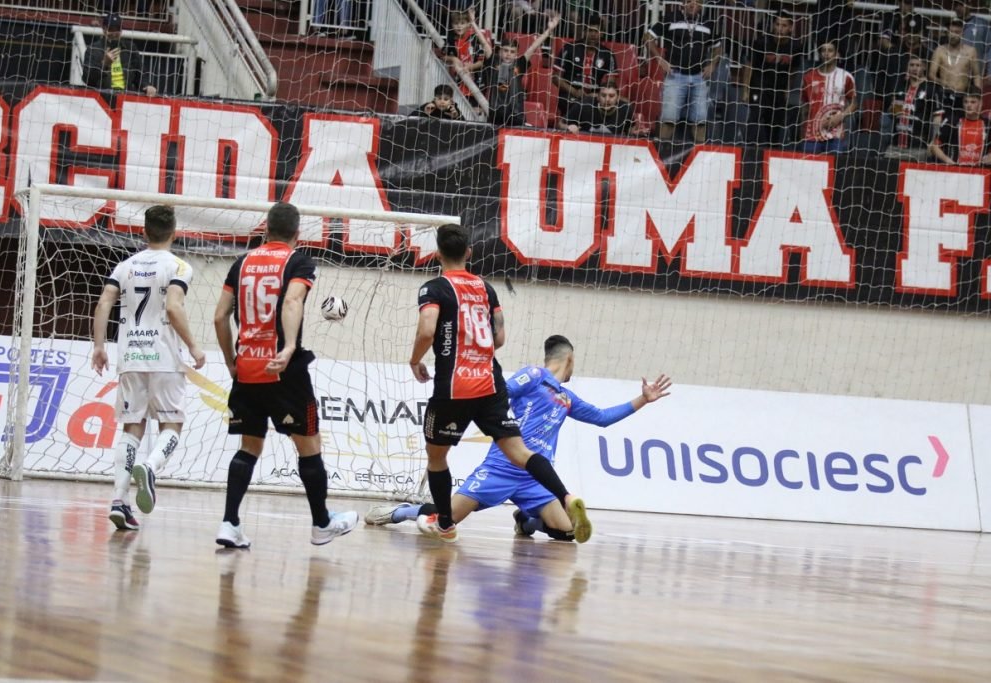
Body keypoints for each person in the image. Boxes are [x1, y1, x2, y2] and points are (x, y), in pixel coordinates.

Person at [368, 335, 672, 541]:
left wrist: (642, 400)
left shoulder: (566, 398)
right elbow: (501, 393)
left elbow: (603, 418)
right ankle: (397, 513)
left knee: (567, 533)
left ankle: (526, 519)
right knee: (446, 517)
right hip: (501, 467)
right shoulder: (534, 376)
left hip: (535, 478)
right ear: (569, 358)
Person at [408, 225, 591, 543]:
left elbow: (427, 329)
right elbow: (500, 337)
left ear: (437, 254)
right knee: (520, 452)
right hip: (490, 383)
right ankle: (564, 496)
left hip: (454, 386)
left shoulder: (433, 288)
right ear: (469, 253)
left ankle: (446, 525)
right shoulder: (486, 289)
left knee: (437, 458)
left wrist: (415, 360)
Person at [212, 201, 358, 549]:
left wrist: (231, 359)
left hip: (246, 369)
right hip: (284, 372)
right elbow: (292, 302)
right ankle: (321, 524)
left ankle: (229, 522)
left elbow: (219, 317)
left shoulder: (241, 263)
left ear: (265, 229)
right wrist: (289, 346)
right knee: (309, 447)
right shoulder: (299, 262)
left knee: (249, 446)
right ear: (297, 233)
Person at [91, 205, 205, 531]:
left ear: (144, 232)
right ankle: (151, 467)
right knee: (172, 426)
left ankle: (119, 500)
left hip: (131, 358)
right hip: (165, 358)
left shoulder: (124, 266)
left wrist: (99, 346)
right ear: (174, 232)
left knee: (132, 428)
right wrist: (194, 346)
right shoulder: (179, 266)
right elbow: (173, 305)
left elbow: (103, 303)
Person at [645, 0, 723, 144]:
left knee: (700, 122)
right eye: (689, 1)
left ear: (701, 5)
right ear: (683, 3)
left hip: (699, 77)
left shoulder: (708, 23)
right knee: (668, 120)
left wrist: (712, 64)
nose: (693, 4)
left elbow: (718, 47)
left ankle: (699, 160)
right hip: (676, 76)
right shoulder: (670, 17)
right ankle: (660, 156)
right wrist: (660, 59)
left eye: (697, 1)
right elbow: (648, 37)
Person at [486, 12, 561, 127]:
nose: (508, 54)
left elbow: (534, 46)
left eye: (512, 52)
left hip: (516, 114)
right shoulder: (494, 62)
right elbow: (484, 43)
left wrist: (549, 30)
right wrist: (472, 23)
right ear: (500, 51)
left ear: (516, 54)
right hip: (496, 114)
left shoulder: (519, 64)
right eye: (505, 51)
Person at [742, 10, 803, 148]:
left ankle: (772, 157)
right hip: (760, 87)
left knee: (775, 128)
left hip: (779, 90)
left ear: (791, 27)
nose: (780, 29)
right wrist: (745, 90)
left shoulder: (796, 46)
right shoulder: (762, 42)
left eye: (784, 25)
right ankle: (748, 154)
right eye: (777, 24)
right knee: (754, 121)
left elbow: (793, 70)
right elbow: (749, 66)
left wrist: (787, 89)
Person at [553, 13, 619, 118]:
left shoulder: (608, 55)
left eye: (596, 31)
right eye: (590, 31)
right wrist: (574, 91)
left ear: (601, 33)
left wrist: (598, 95)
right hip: (570, 95)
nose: (593, 34)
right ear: (584, 32)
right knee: (576, 106)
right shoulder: (569, 48)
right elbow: (556, 78)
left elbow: (610, 83)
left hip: (596, 97)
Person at [800, 41, 857, 155]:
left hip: (835, 135)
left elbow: (854, 104)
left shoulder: (846, 77)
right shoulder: (808, 77)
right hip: (812, 135)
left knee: (833, 170)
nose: (826, 54)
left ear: (837, 54)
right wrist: (802, 134)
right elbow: (805, 107)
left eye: (830, 50)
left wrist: (840, 116)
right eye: (823, 50)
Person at [82, 12, 156, 96]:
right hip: (102, 97)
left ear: (121, 30)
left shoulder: (130, 48)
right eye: (111, 29)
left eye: (117, 29)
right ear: (104, 29)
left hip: (126, 96)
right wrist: (104, 64)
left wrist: (147, 85)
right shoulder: (93, 49)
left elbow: (140, 73)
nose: (114, 33)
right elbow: (87, 79)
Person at [885, 56, 943, 161]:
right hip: (895, 145)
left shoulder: (931, 88)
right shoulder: (900, 86)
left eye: (918, 65)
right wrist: (893, 108)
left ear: (924, 67)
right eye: (911, 65)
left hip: (918, 146)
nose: (914, 68)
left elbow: (937, 117)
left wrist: (933, 141)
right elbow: (892, 113)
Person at [929, 18, 982, 124]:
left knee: (960, 125)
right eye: (951, 31)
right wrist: (943, 83)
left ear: (962, 33)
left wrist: (978, 96)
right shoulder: (940, 50)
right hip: (944, 95)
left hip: (962, 97)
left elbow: (976, 75)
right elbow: (931, 75)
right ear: (946, 32)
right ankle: (935, 140)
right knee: (940, 124)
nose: (953, 35)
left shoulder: (971, 51)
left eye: (957, 32)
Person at [443, 8, 493, 101]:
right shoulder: (451, 39)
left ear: (468, 24)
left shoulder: (475, 38)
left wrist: (470, 67)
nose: (459, 26)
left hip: (476, 80)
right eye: (456, 23)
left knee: (474, 107)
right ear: (451, 25)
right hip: (458, 80)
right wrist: (453, 58)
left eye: (462, 23)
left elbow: (483, 61)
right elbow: (442, 55)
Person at [929, 91, 991, 166]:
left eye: (973, 102)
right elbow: (934, 146)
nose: (969, 105)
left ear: (980, 103)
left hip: (979, 172)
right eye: (966, 102)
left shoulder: (988, 125)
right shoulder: (952, 121)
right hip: (954, 171)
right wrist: (950, 162)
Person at [559, 82, 641, 135]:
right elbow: (560, 124)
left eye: (611, 96)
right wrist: (568, 128)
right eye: (603, 95)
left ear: (618, 98)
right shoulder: (584, 104)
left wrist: (634, 132)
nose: (607, 99)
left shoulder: (625, 109)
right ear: (597, 97)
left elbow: (630, 129)